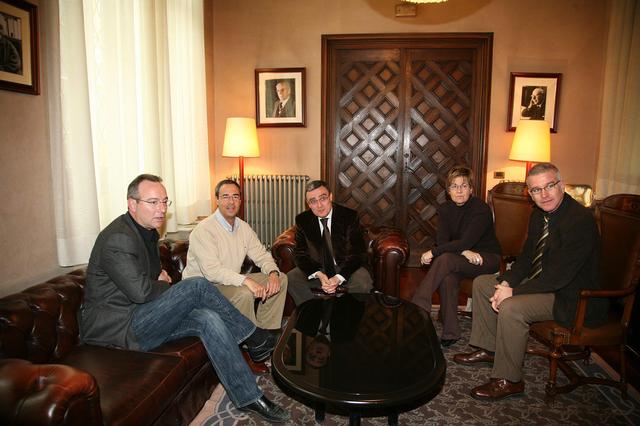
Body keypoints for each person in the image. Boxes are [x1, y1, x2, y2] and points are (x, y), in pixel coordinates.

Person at [80, 174, 289, 423]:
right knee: (197, 285)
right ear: (132, 204)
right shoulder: (118, 238)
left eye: (164, 202)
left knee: (208, 318)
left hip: (141, 314)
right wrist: (160, 282)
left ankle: (249, 397)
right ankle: (256, 337)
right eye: (153, 202)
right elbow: (141, 292)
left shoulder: (147, 232)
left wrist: (157, 279)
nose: (161, 209)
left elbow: (147, 279)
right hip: (119, 328)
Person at [453, 163, 608, 401]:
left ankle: (510, 380)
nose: (544, 194)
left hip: (572, 296)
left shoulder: (579, 221)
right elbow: (526, 259)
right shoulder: (539, 215)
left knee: (512, 307)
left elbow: (558, 277)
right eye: (536, 190)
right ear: (530, 194)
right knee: (484, 284)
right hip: (546, 282)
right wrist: (506, 283)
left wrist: (513, 292)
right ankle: (490, 349)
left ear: (561, 185)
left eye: (549, 186)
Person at [411, 166, 501, 348]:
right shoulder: (445, 209)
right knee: (448, 277)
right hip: (462, 258)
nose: (459, 190)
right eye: (454, 186)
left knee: (444, 259)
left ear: (471, 189)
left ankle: (418, 306)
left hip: (485, 258)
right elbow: (443, 240)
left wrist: (434, 252)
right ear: (448, 191)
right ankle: (451, 332)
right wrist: (464, 251)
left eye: (464, 186)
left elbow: (464, 241)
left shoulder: (480, 209)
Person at [182, 179, 288, 331]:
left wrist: (273, 272)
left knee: (281, 279)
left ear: (240, 200)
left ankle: (266, 330)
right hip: (205, 289)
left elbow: (262, 255)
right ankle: (250, 337)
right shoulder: (204, 230)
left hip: (229, 282)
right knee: (244, 293)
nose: (231, 202)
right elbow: (212, 272)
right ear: (217, 200)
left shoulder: (243, 227)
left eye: (235, 196)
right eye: (225, 196)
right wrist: (246, 281)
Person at [287, 180, 373, 305]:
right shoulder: (303, 220)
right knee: (291, 278)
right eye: (313, 201)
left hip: (345, 266)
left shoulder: (349, 216)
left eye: (323, 198)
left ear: (330, 197)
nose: (319, 205)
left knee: (363, 281)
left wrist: (339, 278)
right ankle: (311, 312)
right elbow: (300, 254)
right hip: (318, 268)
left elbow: (357, 253)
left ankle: (347, 314)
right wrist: (318, 274)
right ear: (308, 204)